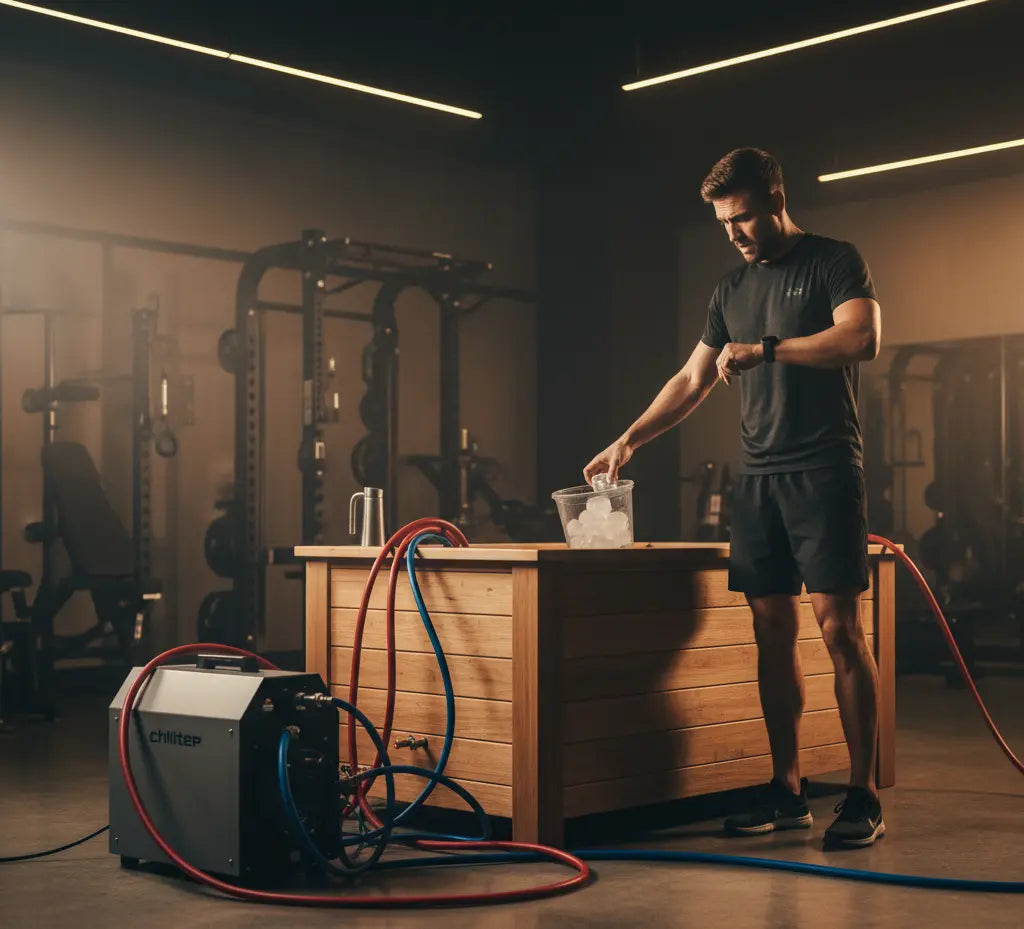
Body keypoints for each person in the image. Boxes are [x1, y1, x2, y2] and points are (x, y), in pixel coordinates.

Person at [583, 148, 884, 849]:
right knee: (770, 631)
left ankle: (864, 794)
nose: (734, 233)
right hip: (758, 479)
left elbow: (861, 338)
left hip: (824, 470)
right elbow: (691, 379)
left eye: (743, 217)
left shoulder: (834, 260)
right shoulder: (730, 289)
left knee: (840, 630)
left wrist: (767, 350)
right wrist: (627, 441)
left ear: (776, 198)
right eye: (723, 222)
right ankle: (787, 788)